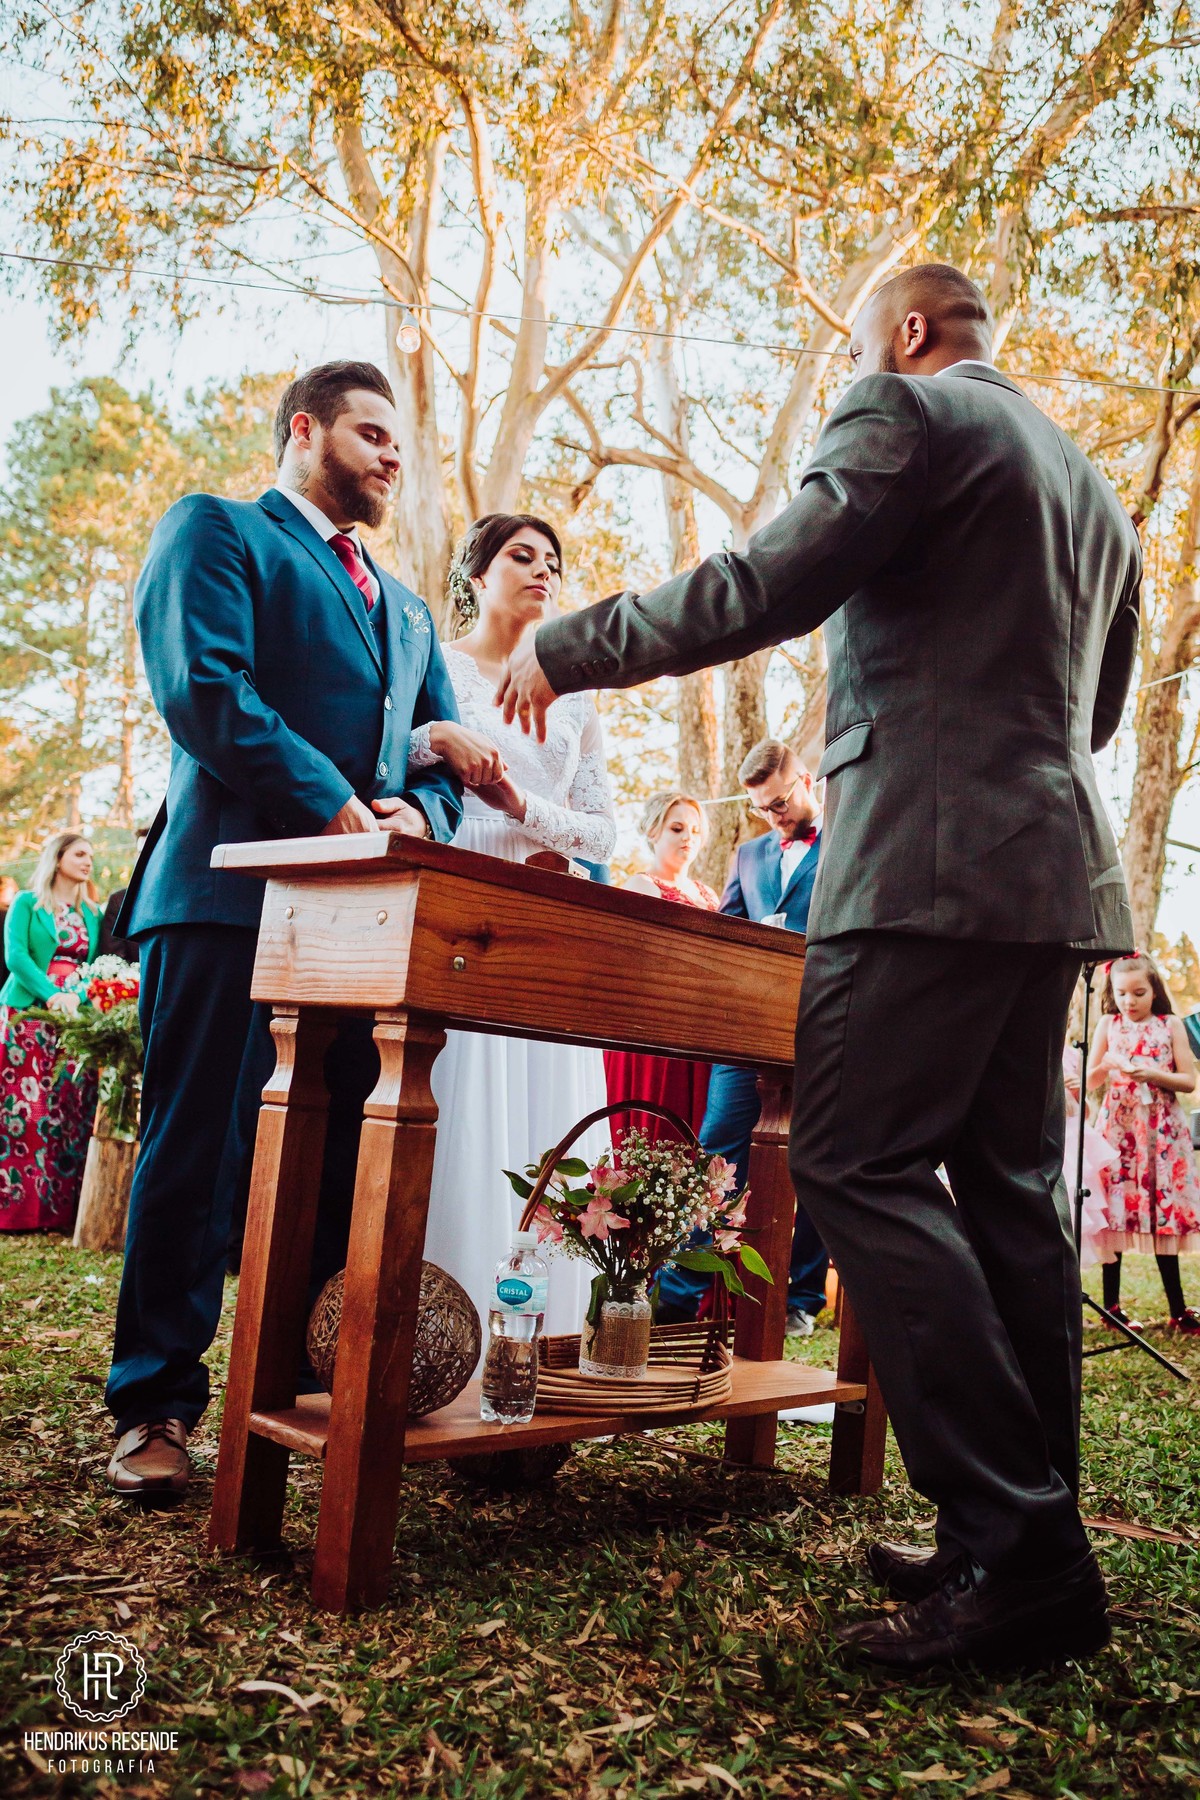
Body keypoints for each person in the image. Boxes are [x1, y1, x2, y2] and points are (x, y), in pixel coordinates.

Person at [496, 262, 1142, 1671]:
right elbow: (1093, 709)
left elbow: (759, 586)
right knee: (1014, 1200)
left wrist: (567, 645)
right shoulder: (1093, 492)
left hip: (919, 864)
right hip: (1050, 871)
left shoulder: (906, 413)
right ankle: (1025, 1538)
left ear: (908, 332)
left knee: (854, 1165)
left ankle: (1019, 1551)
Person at [103, 361, 465, 1501]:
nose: (392, 455)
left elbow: (439, 746)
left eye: (399, 440)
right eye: (371, 432)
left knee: (334, 1169)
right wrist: (331, 800)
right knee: (197, 1154)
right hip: (222, 900)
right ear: (303, 430)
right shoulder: (217, 531)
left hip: (358, 924)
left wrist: (420, 809)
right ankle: (155, 1404)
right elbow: (203, 688)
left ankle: (302, 1398)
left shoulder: (407, 609)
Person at [408, 512, 616, 1343]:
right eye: (521, 556)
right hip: (459, 897)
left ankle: (546, 1342)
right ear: (476, 574)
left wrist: (525, 808)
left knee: (547, 1119)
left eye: (553, 562)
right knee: (460, 1105)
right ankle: (442, 1335)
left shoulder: (580, 699)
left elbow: (601, 833)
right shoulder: (438, 664)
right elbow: (395, 749)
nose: (543, 572)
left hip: (549, 913)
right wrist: (439, 741)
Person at [655, 740, 830, 1334]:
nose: (772, 817)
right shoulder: (749, 855)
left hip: (823, 1025)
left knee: (815, 1163)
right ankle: (677, 1295)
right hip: (747, 1028)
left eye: (779, 802)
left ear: (806, 781)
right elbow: (728, 930)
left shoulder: (847, 842)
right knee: (716, 1156)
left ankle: (801, 1298)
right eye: (761, 808)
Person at [1087, 952, 1200, 1333]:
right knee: (1116, 1211)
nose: (1129, 1002)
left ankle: (1179, 1310)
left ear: (1154, 991)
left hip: (1161, 1132)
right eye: (1121, 994)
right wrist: (1101, 1069)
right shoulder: (1107, 1024)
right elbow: (1091, 1081)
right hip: (1120, 1130)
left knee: (1160, 1214)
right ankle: (1112, 1309)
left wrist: (1152, 1073)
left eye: (1138, 992)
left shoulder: (1170, 1025)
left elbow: (1188, 1081)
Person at [604, 791, 719, 1147]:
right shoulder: (641, 886)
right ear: (654, 832)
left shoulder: (710, 895)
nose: (689, 838)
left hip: (699, 1026)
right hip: (655, 1026)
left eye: (696, 831)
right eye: (678, 828)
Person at [0, 833, 101, 1232]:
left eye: (91, 855)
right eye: (79, 854)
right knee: (25, 1113)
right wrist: (52, 994)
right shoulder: (26, 904)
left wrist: (74, 997)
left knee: (66, 1107)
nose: (88, 861)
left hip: (73, 1020)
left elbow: (95, 964)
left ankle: (59, 1214)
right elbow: (16, 957)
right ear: (57, 858)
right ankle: (17, 1212)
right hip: (27, 1015)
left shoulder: (91, 912)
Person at [98, 825, 150, 964]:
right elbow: (114, 958)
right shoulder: (119, 901)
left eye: (151, 851)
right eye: (140, 852)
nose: (144, 858)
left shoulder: (183, 901)